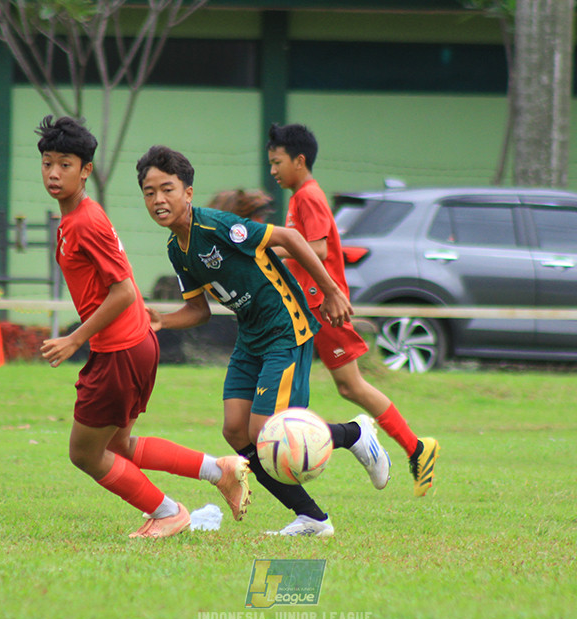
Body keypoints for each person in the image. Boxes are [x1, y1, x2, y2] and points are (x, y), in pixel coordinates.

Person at [137, 145, 391, 538]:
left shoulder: (218, 227)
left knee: (264, 431)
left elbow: (289, 237)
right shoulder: (177, 248)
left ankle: (355, 434)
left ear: (187, 192)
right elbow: (199, 310)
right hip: (251, 336)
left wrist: (331, 292)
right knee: (236, 432)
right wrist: (162, 321)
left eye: (167, 189)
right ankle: (313, 519)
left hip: (285, 328)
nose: (158, 199)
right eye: (149, 192)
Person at [36, 116, 251, 539]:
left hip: (120, 349)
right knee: (118, 446)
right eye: (47, 163)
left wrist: (74, 339)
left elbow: (122, 293)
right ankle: (219, 469)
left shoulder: (85, 221)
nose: (54, 173)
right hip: (131, 345)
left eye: (65, 164)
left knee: (84, 453)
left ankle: (168, 512)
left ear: (86, 170)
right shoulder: (80, 215)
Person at [266, 123, 440, 497]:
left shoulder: (308, 196)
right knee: (341, 385)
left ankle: (414, 447)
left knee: (351, 384)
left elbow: (319, 250)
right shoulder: (300, 197)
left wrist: (266, 247)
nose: (273, 171)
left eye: (277, 162)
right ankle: (408, 447)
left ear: (299, 160)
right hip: (308, 306)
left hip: (321, 307)